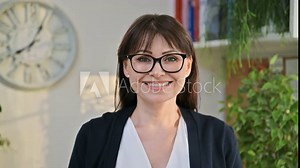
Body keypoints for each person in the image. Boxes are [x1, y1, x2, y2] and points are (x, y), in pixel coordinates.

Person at [68, 14, 242, 168]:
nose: (157, 72)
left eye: (171, 58)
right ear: (126, 67)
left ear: (188, 66)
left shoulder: (218, 137)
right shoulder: (93, 136)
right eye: (144, 58)